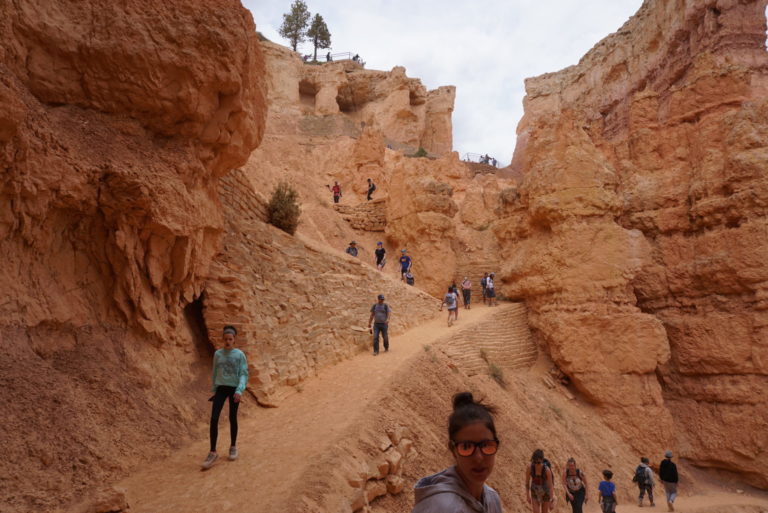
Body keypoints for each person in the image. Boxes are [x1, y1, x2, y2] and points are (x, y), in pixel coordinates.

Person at [411, 392, 502, 513]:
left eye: (486, 445)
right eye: (467, 447)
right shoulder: (441, 507)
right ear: (453, 449)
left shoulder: (492, 499)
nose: (479, 457)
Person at [201, 325, 249, 470]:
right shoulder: (218, 354)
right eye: (226, 339)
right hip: (221, 389)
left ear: (234, 340)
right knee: (214, 418)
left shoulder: (239, 355)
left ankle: (233, 446)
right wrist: (214, 390)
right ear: (223, 339)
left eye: (230, 339)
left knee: (232, 417)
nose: (228, 341)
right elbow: (215, 371)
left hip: (234, 389)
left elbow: (244, 373)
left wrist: (239, 390)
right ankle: (212, 451)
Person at [526, 449, 555, 513]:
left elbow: (550, 486)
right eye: (534, 462)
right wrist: (528, 495)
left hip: (545, 492)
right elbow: (527, 482)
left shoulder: (547, 470)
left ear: (542, 460)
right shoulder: (529, 467)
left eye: (538, 463)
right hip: (535, 491)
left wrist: (551, 500)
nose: (536, 464)